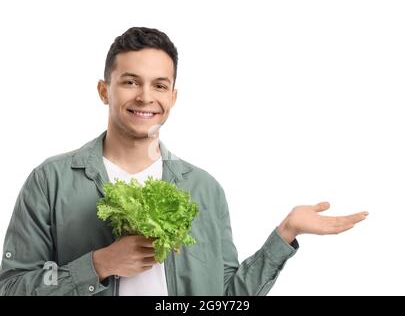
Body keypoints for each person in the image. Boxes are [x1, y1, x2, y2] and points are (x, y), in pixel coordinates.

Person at [0, 27, 368, 296]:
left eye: (159, 85)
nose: (146, 97)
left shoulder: (204, 190)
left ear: (173, 97)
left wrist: (285, 234)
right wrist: (99, 265)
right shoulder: (51, 180)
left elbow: (225, 299)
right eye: (130, 82)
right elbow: (13, 287)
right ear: (104, 90)